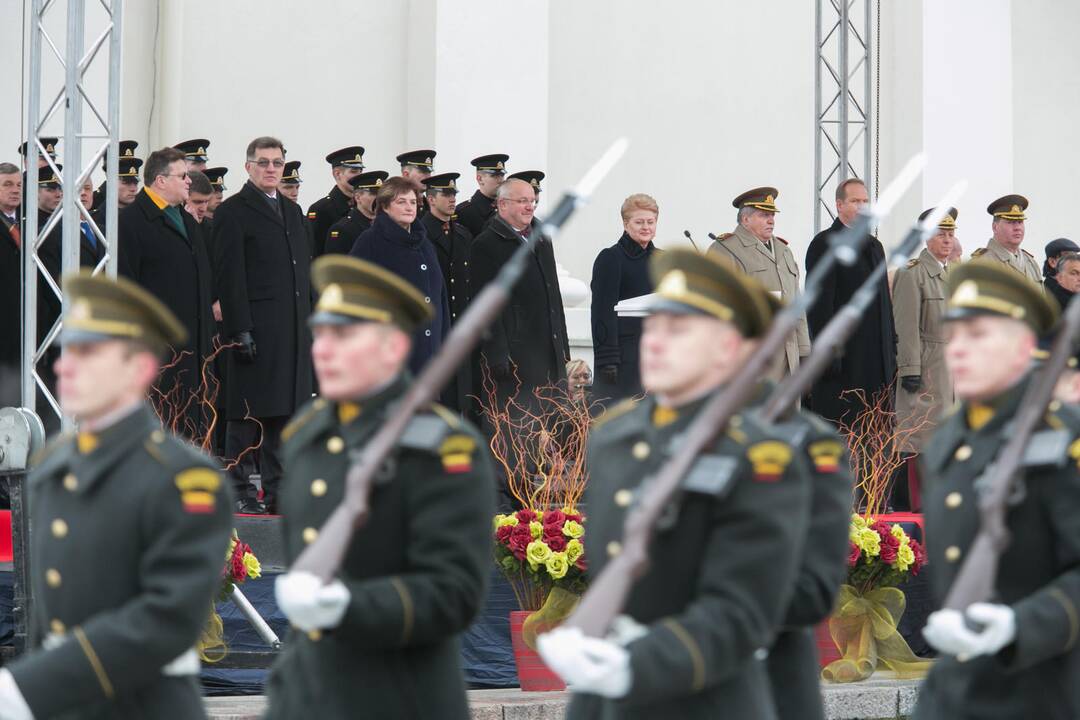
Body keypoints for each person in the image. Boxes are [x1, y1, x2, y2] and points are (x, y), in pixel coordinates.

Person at [537, 248, 811, 719]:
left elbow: (743, 609)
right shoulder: (616, 437)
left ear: (727, 348)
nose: (656, 343)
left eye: (679, 331)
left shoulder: (760, 455)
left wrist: (638, 664)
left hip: (709, 698)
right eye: (655, 327)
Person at [265, 254, 493, 720]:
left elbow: (454, 594)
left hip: (399, 700)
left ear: (393, 348)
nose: (323, 350)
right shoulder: (308, 434)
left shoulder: (439, 446)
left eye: (344, 336)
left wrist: (347, 606)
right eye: (321, 334)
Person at [0, 271, 232, 720]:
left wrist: (30, 685)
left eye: (88, 354)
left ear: (138, 368)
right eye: (67, 352)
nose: (64, 367)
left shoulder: (181, 478)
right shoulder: (55, 467)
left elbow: (166, 619)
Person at [914, 261, 1080, 720]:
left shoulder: (1065, 439)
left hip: (1042, 693)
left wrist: (1021, 625)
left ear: (1025, 346)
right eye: (956, 336)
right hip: (953, 694)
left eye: (979, 335)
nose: (960, 351)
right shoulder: (948, 439)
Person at [213, 136, 313, 514]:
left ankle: (279, 490)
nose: (272, 168)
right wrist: (240, 328)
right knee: (248, 413)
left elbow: (304, 273)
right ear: (248, 167)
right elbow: (230, 275)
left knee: (286, 415)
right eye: (264, 162)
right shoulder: (233, 211)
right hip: (255, 329)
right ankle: (236, 488)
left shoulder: (292, 211)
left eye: (277, 162)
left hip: (292, 330)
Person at [116, 148, 215, 441]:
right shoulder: (133, 221)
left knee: (194, 424)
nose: (189, 181)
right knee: (162, 424)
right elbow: (127, 286)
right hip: (159, 347)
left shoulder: (184, 219)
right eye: (182, 176)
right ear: (160, 180)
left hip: (195, 344)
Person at [806, 178, 896, 426]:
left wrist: (892, 351)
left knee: (876, 444)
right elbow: (819, 307)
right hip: (846, 365)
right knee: (848, 438)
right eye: (855, 201)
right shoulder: (824, 244)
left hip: (878, 366)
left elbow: (884, 306)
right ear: (839, 205)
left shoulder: (874, 246)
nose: (862, 207)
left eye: (866, 201)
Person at [470, 177, 569, 391]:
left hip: (550, 351)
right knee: (522, 421)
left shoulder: (543, 238)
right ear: (502, 204)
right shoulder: (486, 244)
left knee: (554, 421)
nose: (529, 207)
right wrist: (498, 356)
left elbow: (554, 296)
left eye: (532, 201)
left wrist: (564, 348)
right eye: (522, 201)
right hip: (516, 358)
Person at [348, 176, 448, 374]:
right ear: (385, 207)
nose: (409, 207)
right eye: (401, 202)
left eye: (413, 202)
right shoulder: (370, 241)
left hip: (429, 349)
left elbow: (440, 296)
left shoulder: (425, 244)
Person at [708, 187, 810, 378]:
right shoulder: (725, 249)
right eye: (764, 215)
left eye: (772, 215)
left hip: (789, 354)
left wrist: (804, 350)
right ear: (745, 220)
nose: (771, 220)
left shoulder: (783, 250)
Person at [893, 207, 958, 458]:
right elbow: (905, 326)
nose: (947, 239)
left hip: (951, 369)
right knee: (920, 438)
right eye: (941, 233)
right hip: (928, 368)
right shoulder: (912, 273)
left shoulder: (952, 273)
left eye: (951, 234)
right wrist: (909, 369)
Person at [590, 193, 659, 404]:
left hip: (654, 355)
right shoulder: (611, 258)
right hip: (623, 360)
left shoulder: (662, 259)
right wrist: (607, 360)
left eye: (651, 222)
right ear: (625, 223)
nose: (646, 227)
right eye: (639, 222)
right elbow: (602, 312)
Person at [419, 171, 474, 412]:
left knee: (464, 400)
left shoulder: (462, 235)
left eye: (454, 194)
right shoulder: (419, 235)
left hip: (461, 327)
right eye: (446, 194)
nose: (452, 199)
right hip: (436, 327)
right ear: (431, 199)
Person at [306, 145, 365, 258]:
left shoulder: (364, 206)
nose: (359, 177)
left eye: (360, 171)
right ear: (337, 174)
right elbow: (314, 252)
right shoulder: (321, 210)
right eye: (353, 171)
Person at [971, 195, 1041, 284]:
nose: (1017, 228)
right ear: (995, 227)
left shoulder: (1031, 262)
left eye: (1020, 222)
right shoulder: (981, 264)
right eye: (1011, 222)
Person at [323, 170, 388, 256]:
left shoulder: (387, 224)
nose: (379, 198)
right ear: (358, 197)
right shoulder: (343, 229)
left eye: (381, 194)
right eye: (374, 194)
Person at [0, 162, 22, 406]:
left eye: (18, 185)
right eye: (7, 184)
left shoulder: (30, 223)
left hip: (22, 325)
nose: (15, 190)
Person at [454, 153, 508, 236]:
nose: (500, 180)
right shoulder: (464, 213)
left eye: (502, 175)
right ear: (480, 179)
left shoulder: (507, 208)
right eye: (495, 176)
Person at [90, 139, 138, 212]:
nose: (133, 189)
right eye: (126, 182)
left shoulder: (139, 206)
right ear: (108, 174)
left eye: (135, 182)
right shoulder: (91, 202)